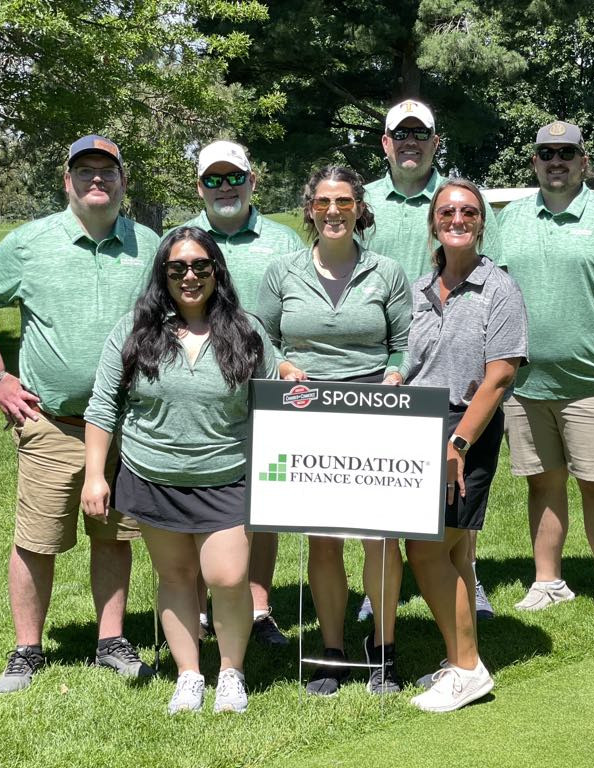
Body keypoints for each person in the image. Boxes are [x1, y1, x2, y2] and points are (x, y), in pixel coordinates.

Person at [0, 135, 158, 693]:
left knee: (115, 536)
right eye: (85, 171)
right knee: (35, 539)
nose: (98, 179)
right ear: (66, 180)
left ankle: (111, 640)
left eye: (108, 171)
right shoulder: (29, 243)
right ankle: (27, 649)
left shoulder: (150, 245)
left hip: (126, 426)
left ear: (123, 180)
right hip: (53, 424)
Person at [82, 226, 276, 714]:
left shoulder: (247, 331)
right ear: (163, 274)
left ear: (216, 272)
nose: (189, 276)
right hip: (154, 476)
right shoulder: (133, 330)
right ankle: (189, 674)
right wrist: (95, 474)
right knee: (175, 575)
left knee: (228, 576)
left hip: (227, 474)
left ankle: (230, 672)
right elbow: (104, 405)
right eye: (177, 268)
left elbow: (274, 404)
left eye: (200, 267)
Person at [257, 165, 411, 696]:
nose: (333, 211)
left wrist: (396, 372)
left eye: (344, 201)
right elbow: (263, 334)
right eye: (324, 202)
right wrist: (279, 364)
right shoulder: (283, 272)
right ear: (310, 209)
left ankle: (383, 647)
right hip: (306, 409)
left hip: (373, 405)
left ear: (358, 208)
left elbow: (406, 340)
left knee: (380, 538)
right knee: (323, 539)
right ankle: (332, 649)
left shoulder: (386, 272)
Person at [497, 121, 594, 623]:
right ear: (534, 161)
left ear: (584, 161)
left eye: (566, 153)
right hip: (526, 385)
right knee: (541, 482)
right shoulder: (509, 218)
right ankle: (547, 581)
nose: (555, 161)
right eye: (545, 153)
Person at [364, 98, 502, 620]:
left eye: (421, 133)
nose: (410, 143)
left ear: (434, 142)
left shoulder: (459, 199)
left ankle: (466, 577)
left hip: (449, 355)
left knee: (455, 496)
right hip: (388, 359)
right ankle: (378, 587)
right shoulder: (366, 202)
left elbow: (491, 279)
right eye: (401, 134)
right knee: (384, 483)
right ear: (386, 143)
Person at [404, 178, 528, 713]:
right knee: (449, 549)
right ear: (434, 221)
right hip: (415, 426)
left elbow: (499, 375)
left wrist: (458, 440)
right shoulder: (418, 289)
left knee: (429, 548)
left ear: (481, 223)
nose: (458, 219)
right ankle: (459, 658)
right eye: (448, 211)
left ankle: (468, 667)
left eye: (469, 212)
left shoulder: (499, 288)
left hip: (465, 429)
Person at [179, 140, 302, 647]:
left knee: (263, 502)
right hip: (198, 391)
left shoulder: (285, 241)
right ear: (200, 187)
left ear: (254, 181)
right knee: (196, 498)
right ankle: (203, 606)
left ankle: (258, 608)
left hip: (266, 388)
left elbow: (299, 311)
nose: (224, 187)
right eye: (213, 179)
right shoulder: (182, 242)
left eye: (234, 178)